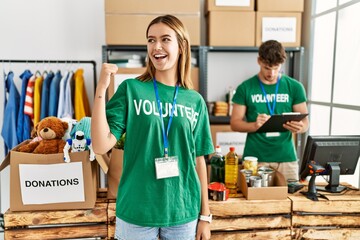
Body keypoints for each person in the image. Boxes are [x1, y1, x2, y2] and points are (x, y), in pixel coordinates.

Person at [91, 15, 214, 240]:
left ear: (181, 46)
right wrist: (101, 89)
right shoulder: (131, 89)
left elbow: (199, 161)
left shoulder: (195, 101)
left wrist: (205, 215)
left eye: (165, 39)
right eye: (151, 40)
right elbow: (100, 145)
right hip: (136, 211)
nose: (156, 47)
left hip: (183, 210)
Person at [230, 39, 309, 181]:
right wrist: (254, 125)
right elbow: (235, 123)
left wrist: (300, 127)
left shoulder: (295, 87)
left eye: (276, 68)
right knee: (255, 201)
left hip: (287, 159)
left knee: (292, 200)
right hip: (255, 159)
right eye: (267, 67)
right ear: (259, 61)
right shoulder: (245, 88)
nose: (271, 73)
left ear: (281, 64)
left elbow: (305, 123)